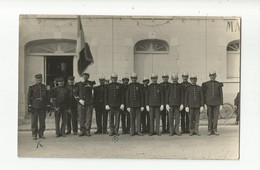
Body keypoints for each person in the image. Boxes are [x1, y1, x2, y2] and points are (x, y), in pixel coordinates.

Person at [27, 74, 50, 140]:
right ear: (35, 80)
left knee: (42, 121)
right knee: (34, 121)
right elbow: (29, 97)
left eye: (40, 79)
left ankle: (41, 133)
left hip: (43, 106)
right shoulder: (32, 87)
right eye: (37, 80)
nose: (39, 81)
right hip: (34, 106)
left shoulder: (46, 87)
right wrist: (29, 105)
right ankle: (34, 134)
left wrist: (48, 105)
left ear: (42, 80)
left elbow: (48, 97)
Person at [202, 70, 223, 136]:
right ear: (209, 76)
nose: (212, 77)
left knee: (215, 117)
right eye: (211, 75)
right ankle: (209, 130)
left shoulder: (218, 84)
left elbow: (221, 94)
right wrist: (204, 104)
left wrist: (221, 104)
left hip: (217, 103)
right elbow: (203, 94)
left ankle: (215, 130)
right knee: (210, 117)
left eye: (213, 75)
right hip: (209, 103)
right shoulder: (206, 84)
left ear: (215, 76)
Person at [74, 73, 94, 137]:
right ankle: (82, 130)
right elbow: (75, 94)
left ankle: (88, 130)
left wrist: (84, 83)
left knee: (88, 117)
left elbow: (91, 89)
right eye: (84, 76)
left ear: (88, 77)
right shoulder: (78, 84)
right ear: (82, 77)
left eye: (86, 77)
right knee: (81, 118)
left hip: (89, 103)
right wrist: (79, 100)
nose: (85, 78)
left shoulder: (90, 83)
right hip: (81, 103)